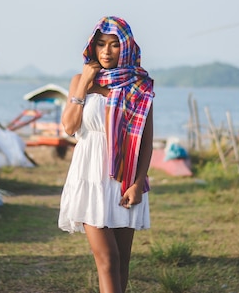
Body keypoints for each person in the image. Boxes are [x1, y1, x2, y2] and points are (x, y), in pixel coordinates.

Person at [58, 16, 155, 293]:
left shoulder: (138, 86)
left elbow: (145, 142)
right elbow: (69, 126)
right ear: (93, 45)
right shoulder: (80, 80)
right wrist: (85, 83)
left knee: (123, 261)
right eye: (101, 44)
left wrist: (138, 183)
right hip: (90, 177)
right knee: (108, 259)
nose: (106, 51)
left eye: (114, 45)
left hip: (124, 178)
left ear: (125, 47)